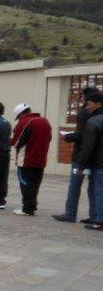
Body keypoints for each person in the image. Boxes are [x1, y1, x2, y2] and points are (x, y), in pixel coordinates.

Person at [54, 87, 99, 223]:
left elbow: (84, 135)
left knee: (75, 185)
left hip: (81, 154)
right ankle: (95, 216)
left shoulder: (85, 113)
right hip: (96, 157)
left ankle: (70, 214)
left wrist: (68, 136)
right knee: (94, 188)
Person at [10, 103, 53, 216]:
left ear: (21, 114)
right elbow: (49, 138)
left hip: (26, 160)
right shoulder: (45, 121)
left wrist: (9, 141)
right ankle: (32, 206)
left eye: (18, 117)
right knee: (35, 184)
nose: (18, 119)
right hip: (41, 159)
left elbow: (17, 142)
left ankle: (27, 209)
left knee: (26, 184)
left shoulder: (24, 122)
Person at [77, 91, 103, 230]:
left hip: (98, 163)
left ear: (98, 104)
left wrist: (81, 164)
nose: (87, 106)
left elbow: (88, 146)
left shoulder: (93, 121)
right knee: (94, 191)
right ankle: (95, 216)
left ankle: (99, 220)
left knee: (97, 193)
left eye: (89, 104)